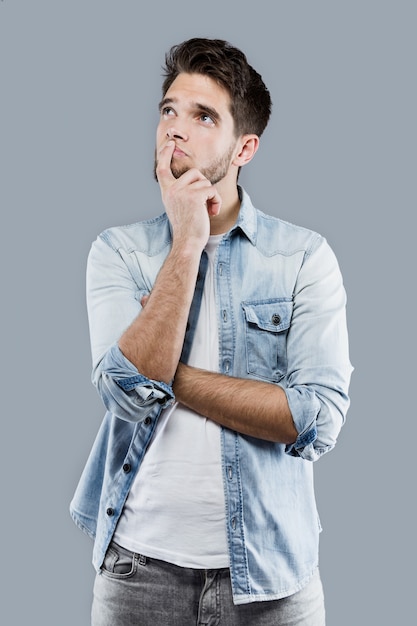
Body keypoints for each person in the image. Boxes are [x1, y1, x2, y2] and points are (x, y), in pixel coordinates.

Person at [70, 37, 353, 626]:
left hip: (273, 581)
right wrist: (188, 242)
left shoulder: (303, 256)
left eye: (203, 116)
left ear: (244, 146)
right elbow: (122, 393)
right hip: (136, 574)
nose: (176, 128)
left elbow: (315, 419)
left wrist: (166, 374)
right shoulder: (117, 252)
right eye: (168, 110)